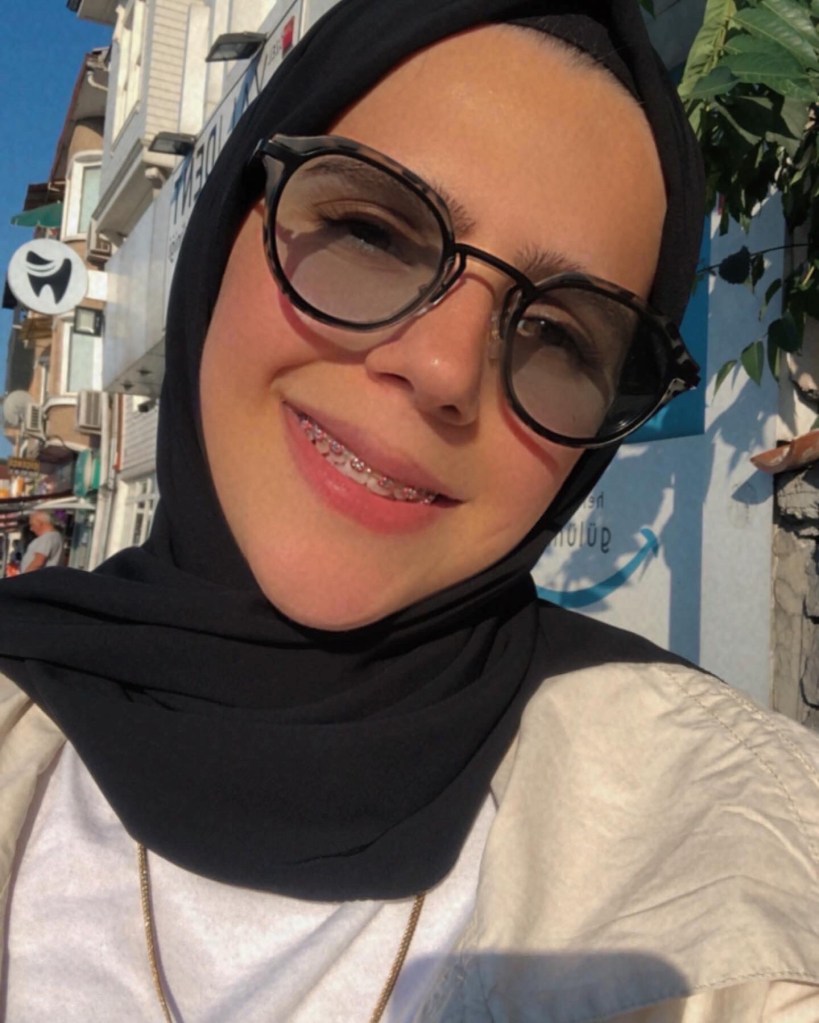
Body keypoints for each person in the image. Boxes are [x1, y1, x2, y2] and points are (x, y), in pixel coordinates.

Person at [1, 1, 819, 1020]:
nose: (442, 369)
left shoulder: (742, 844)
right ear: (223, 228)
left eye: (561, 336)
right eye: (371, 231)